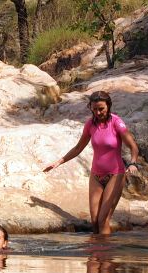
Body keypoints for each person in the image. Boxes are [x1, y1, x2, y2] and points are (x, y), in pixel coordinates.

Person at [44, 91, 141, 235]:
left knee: (103, 220)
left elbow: (133, 146)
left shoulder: (116, 122)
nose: (98, 112)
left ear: (108, 106)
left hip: (116, 175)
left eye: (101, 108)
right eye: (94, 109)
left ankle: (106, 256)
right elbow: (78, 148)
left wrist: (133, 163)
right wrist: (60, 161)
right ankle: (96, 256)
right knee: (95, 222)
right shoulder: (90, 124)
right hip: (96, 176)